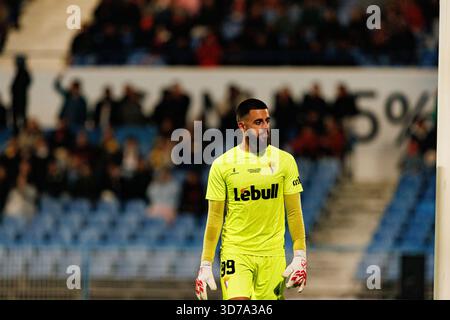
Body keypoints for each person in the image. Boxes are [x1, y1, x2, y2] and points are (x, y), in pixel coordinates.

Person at [195, 98, 307, 300]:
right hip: (235, 252)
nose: (265, 127)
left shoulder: (285, 161)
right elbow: (214, 219)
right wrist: (205, 263)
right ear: (241, 126)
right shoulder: (223, 165)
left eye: (267, 121)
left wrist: (300, 256)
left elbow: (294, 212)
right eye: (258, 122)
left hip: (273, 255)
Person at [11, 54, 32, 134]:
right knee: (17, 118)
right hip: (18, 100)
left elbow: (25, 84)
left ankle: (20, 133)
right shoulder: (20, 72)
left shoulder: (23, 73)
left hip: (20, 100)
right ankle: (18, 133)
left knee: (20, 117)